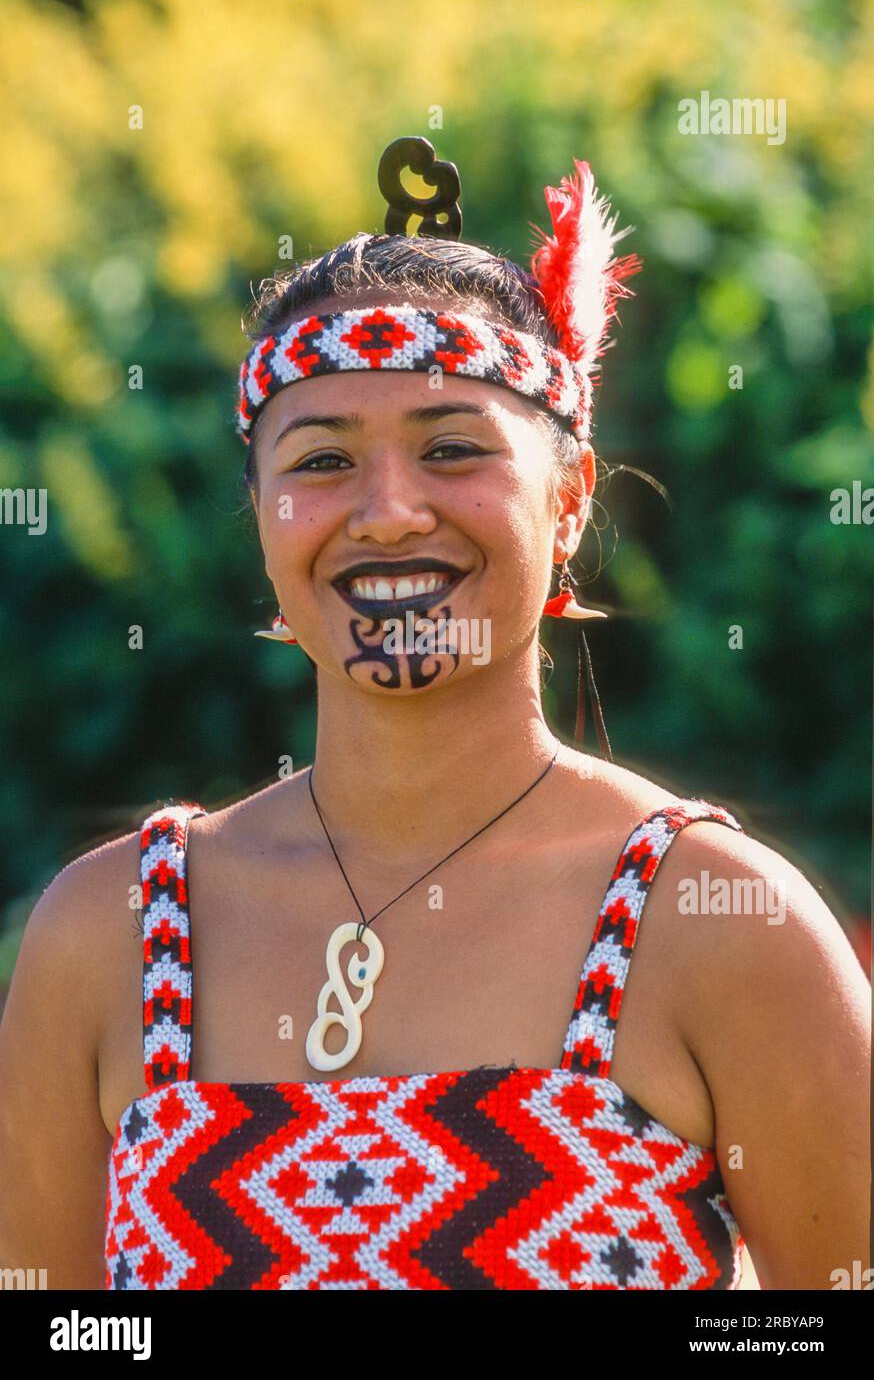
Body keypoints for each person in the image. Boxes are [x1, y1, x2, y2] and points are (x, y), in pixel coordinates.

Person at [0, 144, 868, 1291]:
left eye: (452, 448)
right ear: (262, 519)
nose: (390, 512)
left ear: (568, 502)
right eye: (322, 459)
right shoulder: (104, 936)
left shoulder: (720, 923)